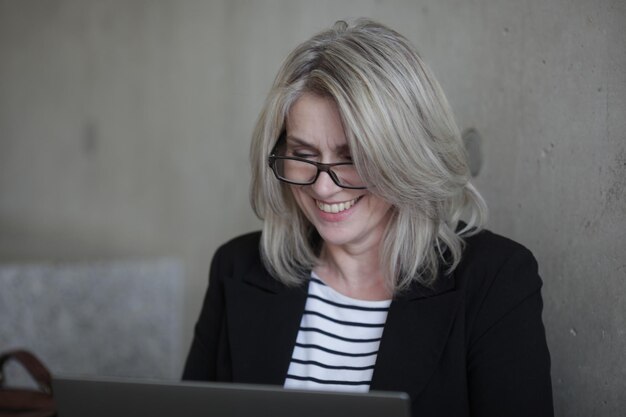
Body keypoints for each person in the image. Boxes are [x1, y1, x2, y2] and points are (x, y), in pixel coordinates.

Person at [183, 18, 553, 417]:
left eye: (353, 158)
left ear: (406, 155)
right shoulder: (236, 269)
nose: (323, 188)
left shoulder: (495, 281)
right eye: (304, 156)